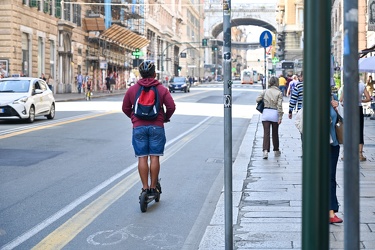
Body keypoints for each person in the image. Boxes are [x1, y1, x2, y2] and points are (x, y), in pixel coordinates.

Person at [122, 60, 176, 197]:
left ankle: (145, 188)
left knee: (142, 157)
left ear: (140, 74)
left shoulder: (132, 89)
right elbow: (171, 107)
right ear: (154, 74)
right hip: (156, 126)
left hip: (139, 127)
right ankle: (153, 187)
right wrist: (165, 117)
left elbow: (125, 108)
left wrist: (134, 118)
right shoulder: (162, 89)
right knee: (154, 157)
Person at [256, 76, 284, 159]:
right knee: (275, 133)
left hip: (266, 113)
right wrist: (280, 117)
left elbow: (257, 99)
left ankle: (265, 151)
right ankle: (276, 150)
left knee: (266, 133)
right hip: (274, 113)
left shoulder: (265, 91)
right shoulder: (279, 93)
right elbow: (279, 106)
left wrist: (264, 100)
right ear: (277, 83)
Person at [329, 92, 343, 224]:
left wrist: (337, 107)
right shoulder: (312, 101)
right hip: (320, 146)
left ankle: (331, 211)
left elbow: (341, 120)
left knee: (331, 178)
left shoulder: (332, 98)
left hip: (334, 145)